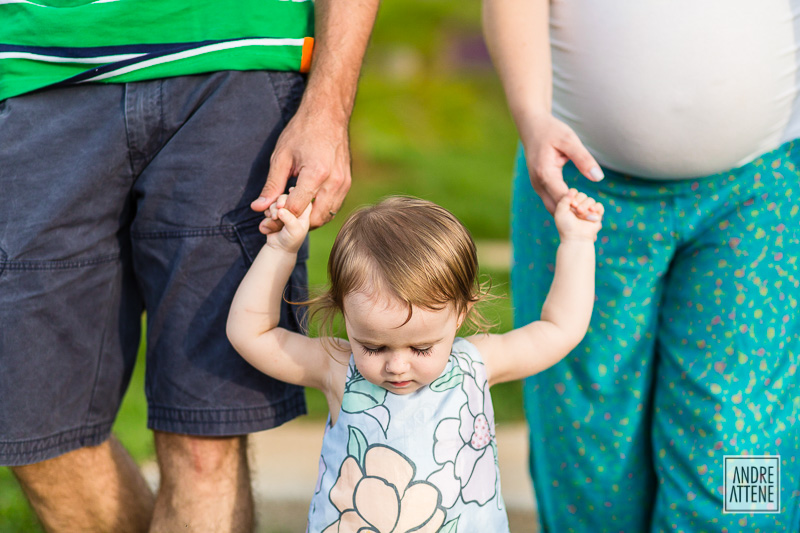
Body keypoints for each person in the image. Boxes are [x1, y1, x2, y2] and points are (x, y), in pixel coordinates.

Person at [0, 0, 378, 530]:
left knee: (206, 436)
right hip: (34, 66)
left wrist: (329, 105)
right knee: (34, 432)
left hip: (236, 57)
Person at [482, 1, 800, 531]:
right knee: (586, 449)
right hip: (579, 188)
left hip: (757, 194)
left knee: (746, 444)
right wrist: (532, 118)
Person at [226, 193, 603, 531]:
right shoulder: (339, 368)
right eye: (374, 347)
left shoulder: (477, 364)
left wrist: (577, 242)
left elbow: (560, 328)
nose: (397, 366)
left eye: (421, 348)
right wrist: (280, 251)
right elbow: (250, 333)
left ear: (460, 314)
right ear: (344, 314)